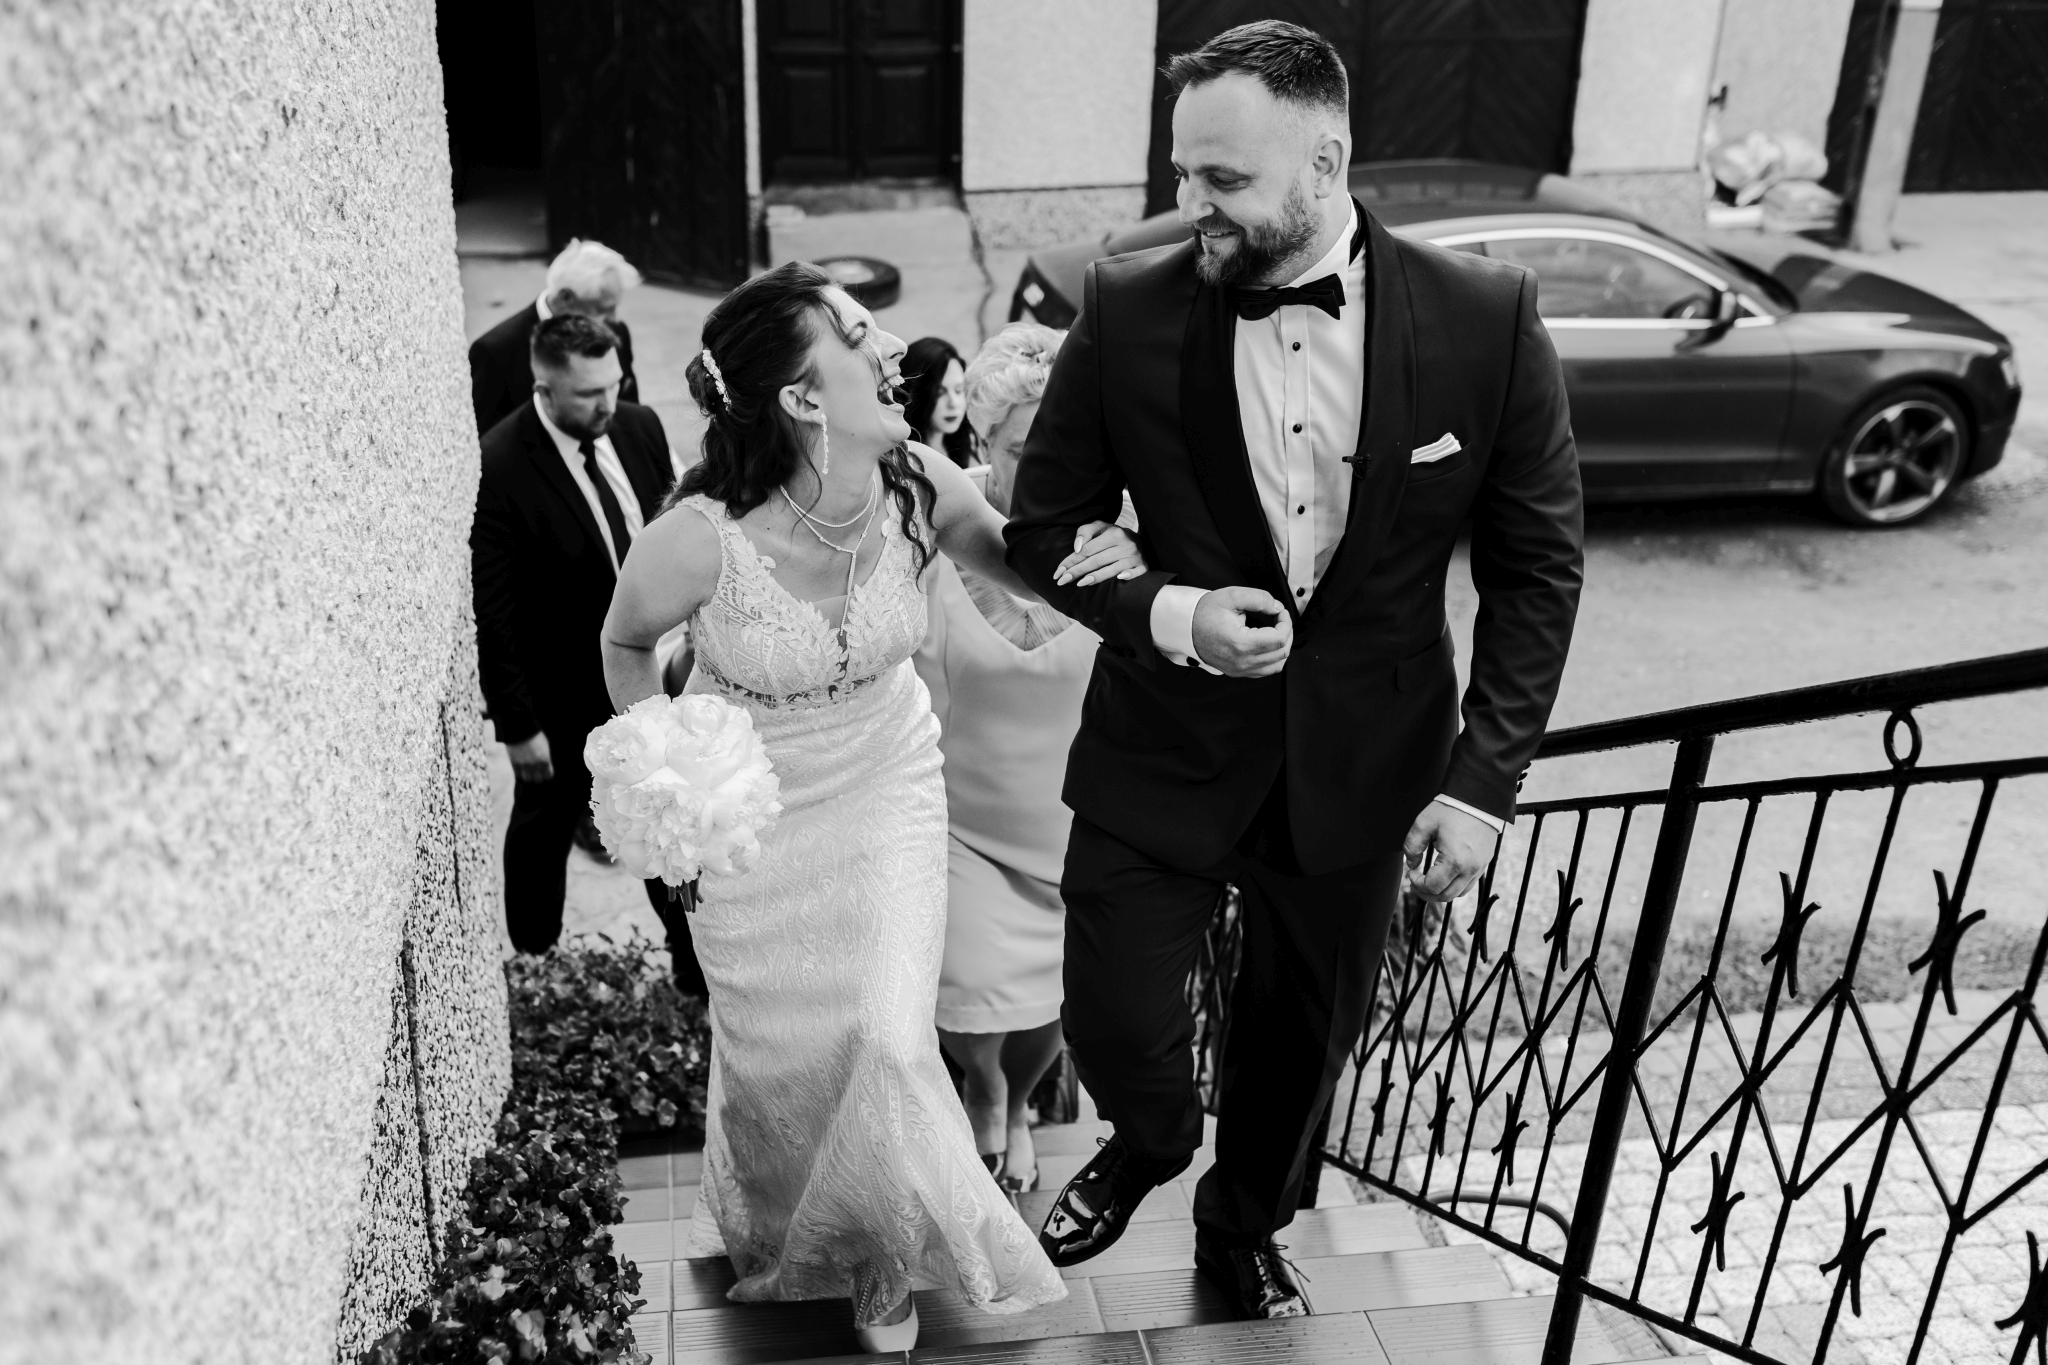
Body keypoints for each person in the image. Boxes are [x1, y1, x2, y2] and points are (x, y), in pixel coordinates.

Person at [1003, 21, 1584, 1321]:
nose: (1189, 204)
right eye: (1181, 171)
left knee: (1300, 1037)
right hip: (1163, 741)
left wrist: (1481, 786)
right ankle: (1151, 1137)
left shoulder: (1486, 320)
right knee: (1113, 1016)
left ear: (1324, 164)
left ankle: (1241, 1226)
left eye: (1223, 180)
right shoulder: (1125, 305)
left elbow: (1537, 571)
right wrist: (1172, 611)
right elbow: (1042, 529)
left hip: (1366, 763)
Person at [597, 262, 1146, 1351]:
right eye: (858, 337)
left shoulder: (917, 487)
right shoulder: (697, 537)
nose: (892, 349)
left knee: (888, 1035)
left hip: (889, 782)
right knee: (785, 1055)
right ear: (802, 397)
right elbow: (625, 644)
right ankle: (784, 1221)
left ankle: (882, 1259)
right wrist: (675, 783)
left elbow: (1031, 572)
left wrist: (1123, 552)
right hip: (754, 820)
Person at [912, 324, 1098, 1202]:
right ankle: (984, 1087)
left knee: (1054, 993)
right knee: (972, 982)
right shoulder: (936, 532)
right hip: (963, 821)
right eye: (1027, 449)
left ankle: (1019, 1102)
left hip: (1078, 816)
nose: (1051, 464)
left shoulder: (1120, 533)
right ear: (983, 439)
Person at [470, 313, 706, 996]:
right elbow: (494, 611)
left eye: (614, 384)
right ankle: (536, 969)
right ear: (544, 388)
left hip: (658, 677)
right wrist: (518, 726)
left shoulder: (638, 425)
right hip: (565, 695)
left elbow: (678, 525)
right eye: (588, 393)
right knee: (544, 829)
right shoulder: (499, 464)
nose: (608, 403)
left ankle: (690, 969)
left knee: (670, 825)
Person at [469, 238, 643, 435]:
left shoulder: (615, 332)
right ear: (565, 297)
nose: (614, 319)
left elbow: (631, 414)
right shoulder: (495, 352)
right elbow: (489, 439)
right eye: (603, 309)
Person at [902, 336, 976, 466]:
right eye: (939, 393)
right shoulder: (903, 461)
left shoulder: (969, 447)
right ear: (915, 394)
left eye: (959, 390)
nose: (953, 403)